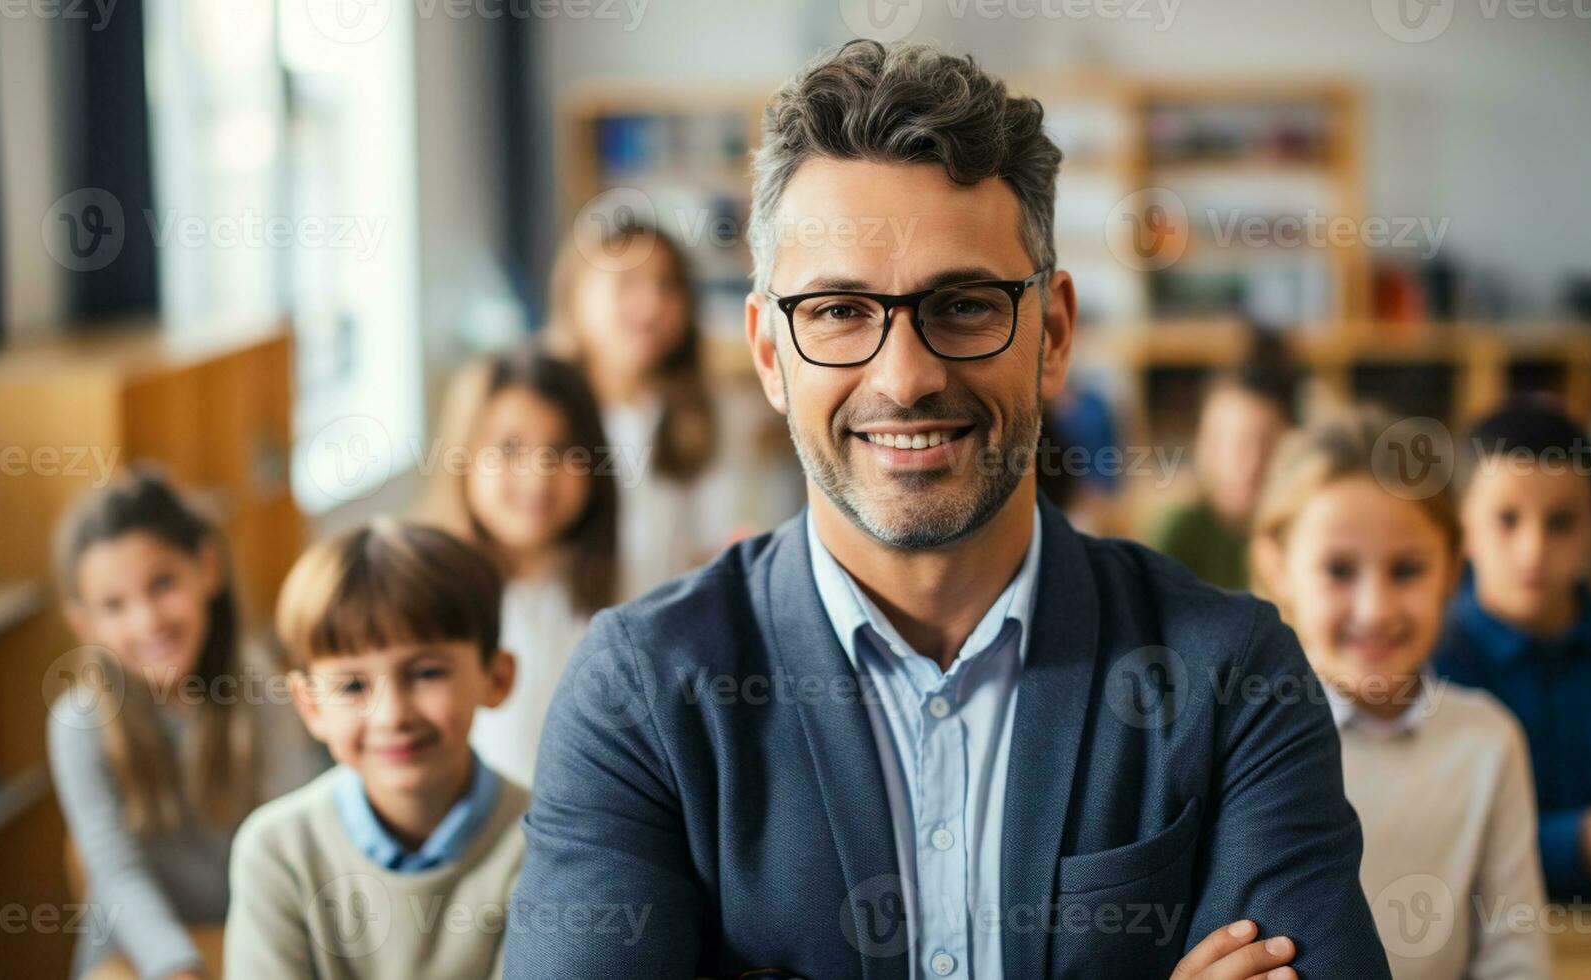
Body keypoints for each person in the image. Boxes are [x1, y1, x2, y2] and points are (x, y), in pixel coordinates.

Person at [506, 40, 1387, 979]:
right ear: (769, 353)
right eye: (841, 310)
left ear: (1052, 334)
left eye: (964, 304)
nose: (907, 378)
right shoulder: (639, 697)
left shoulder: (1236, 680)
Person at [1252, 408, 1551, 979]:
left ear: (1450, 570)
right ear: (1277, 567)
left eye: (1407, 569)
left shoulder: (1488, 742)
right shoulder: (1232, 738)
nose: (1376, 609)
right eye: (1339, 570)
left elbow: (1514, 961)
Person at [48, 469, 325, 979]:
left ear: (207, 569)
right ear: (83, 623)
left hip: (259, 937)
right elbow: (116, 875)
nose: (147, 621)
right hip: (136, 956)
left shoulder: (271, 691)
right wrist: (177, 967)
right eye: (114, 605)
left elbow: (299, 839)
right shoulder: (78, 725)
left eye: (163, 584)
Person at [224, 520, 529, 979]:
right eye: (352, 685)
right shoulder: (277, 852)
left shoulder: (545, 845)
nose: (393, 716)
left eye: (426, 673)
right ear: (310, 706)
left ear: (497, 678)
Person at [1435, 399, 1591, 900]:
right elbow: (1424, 841)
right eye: (1507, 519)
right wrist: (1577, 844)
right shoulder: (1423, 663)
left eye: (1561, 522)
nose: (1532, 550)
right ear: (1462, 529)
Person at [543, 219, 797, 598]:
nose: (651, 304)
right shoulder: (542, 414)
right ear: (575, 293)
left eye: (668, 285)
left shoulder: (711, 417)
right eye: (627, 282)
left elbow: (723, 543)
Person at [416, 349, 620, 786]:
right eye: (510, 449)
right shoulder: (422, 600)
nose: (537, 476)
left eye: (563, 450)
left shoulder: (619, 597)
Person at [1149, 334, 1296, 590]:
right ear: (1202, 446)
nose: (1250, 465)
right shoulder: (1180, 529)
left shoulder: (1300, 534)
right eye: (1234, 444)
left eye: (1266, 444)